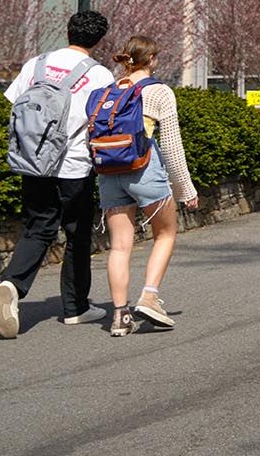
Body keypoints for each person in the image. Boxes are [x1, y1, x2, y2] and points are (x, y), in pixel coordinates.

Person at [0, 10, 116, 339]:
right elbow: (103, 123)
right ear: (99, 39)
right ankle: (75, 308)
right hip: (74, 166)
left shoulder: (36, 64)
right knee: (77, 235)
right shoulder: (100, 75)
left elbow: (15, 104)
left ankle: (13, 283)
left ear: (68, 31)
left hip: (33, 162)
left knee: (37, 228)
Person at [89, 36, 200, 337]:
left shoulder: (107, 92)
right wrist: (186, 189)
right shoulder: (159, 91)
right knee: (165, 232)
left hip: (109, 172)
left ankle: (120, 316)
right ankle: (149, 296)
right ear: (151, 60)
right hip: (144, 168)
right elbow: (173, 146)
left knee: (120, 246)